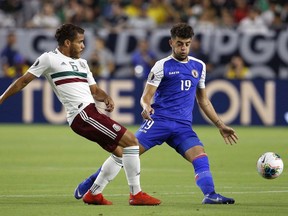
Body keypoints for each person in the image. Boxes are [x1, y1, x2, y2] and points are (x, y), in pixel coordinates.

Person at [74, 23, 238, 205]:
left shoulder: (199, 66)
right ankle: (90, 183)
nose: (183, 48)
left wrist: (220, 124)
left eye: (187, 44)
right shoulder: (162, 66)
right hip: (159, 122)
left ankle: (210, 194)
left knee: (200, 156)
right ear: (171, 43)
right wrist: (146, 107)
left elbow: (203, 100)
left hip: (183, 126)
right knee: (124, 152)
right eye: (179, 44)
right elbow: (146, 96)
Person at [0, 23, 160, 206]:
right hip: (82, 115)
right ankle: (136, 194)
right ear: (67, 43)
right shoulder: (49, 59)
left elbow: (93, 90)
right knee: (132, 142)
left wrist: (106, 97)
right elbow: (22, 82)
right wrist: (2, 98)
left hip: (91, 112)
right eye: (80, 42)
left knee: (120, 152)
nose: (83, 46)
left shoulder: (82, 63)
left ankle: (94, 193)